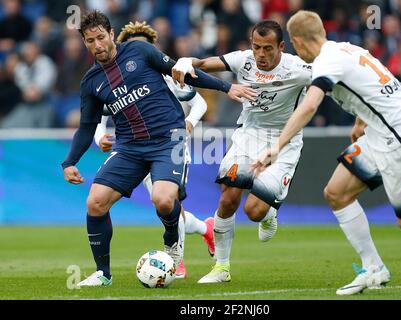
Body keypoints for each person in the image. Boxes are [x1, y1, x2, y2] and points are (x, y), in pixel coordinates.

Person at [252, 10, 401, 295]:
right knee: (336, 193)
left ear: (297, 41)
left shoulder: (327, 61)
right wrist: (360, 121)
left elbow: (309, 106)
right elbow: (374, 88)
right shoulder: (348, 49)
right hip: (381, 135)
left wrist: (276, 146)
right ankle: (373, 268)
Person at [61, 10, 256, 287]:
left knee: (164, 200)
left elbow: (183, 73)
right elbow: (87, 125)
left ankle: (171, 240)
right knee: (95, 202)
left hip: (168, 139)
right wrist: (69, 162)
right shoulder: (91, 81)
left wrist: (226, 88)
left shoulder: (140, 51)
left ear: (111, 34)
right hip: (129, 146)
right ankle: (103, 273)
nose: (97, 45)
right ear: (84, 42)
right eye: (90, 41)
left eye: (101, 37)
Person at [172, 20, 312, 283]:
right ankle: (221, 268)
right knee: (228, 197)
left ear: (281, 46)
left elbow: (334, 82)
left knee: (254, 211)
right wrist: (186, 60)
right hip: (248, 135)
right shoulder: (243, 60)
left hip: (284, 140)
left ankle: (269, 213)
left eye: (268, 48)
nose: (261, 54)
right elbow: (201, 64)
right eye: (256, 47)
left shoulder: (299, 70)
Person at [93, 21, 216, 279]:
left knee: (168, 202)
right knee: (167, 206)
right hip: (136, 149)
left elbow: (200, 103)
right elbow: (97, 117)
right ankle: (206, 228)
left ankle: (176, 261)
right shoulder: (115, 80)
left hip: (171, 146)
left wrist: (189, 123)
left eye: (146, 46)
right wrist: (99, 137)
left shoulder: (168, 74)